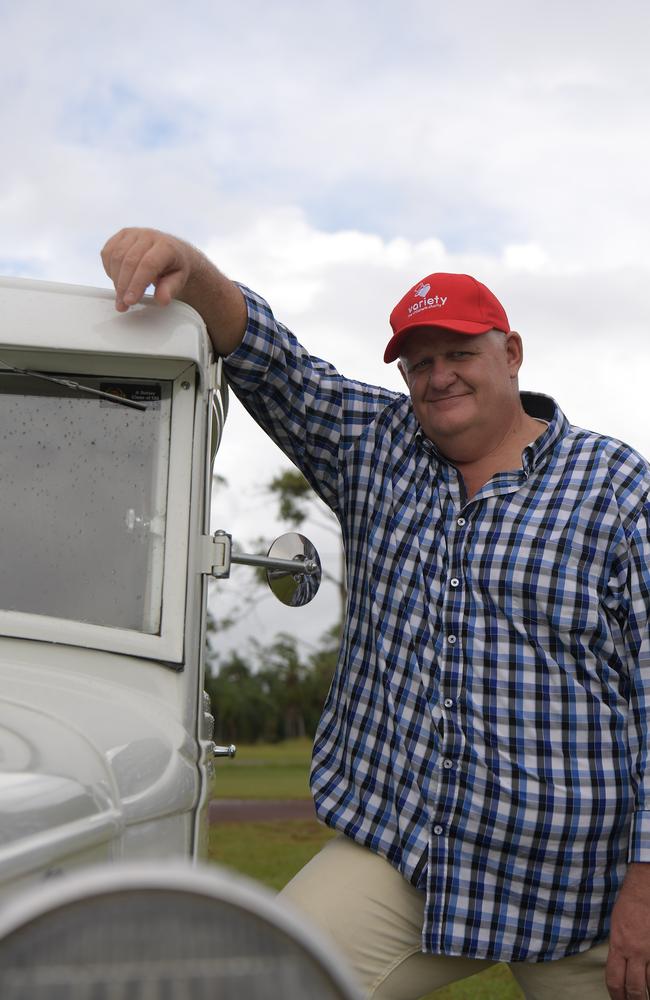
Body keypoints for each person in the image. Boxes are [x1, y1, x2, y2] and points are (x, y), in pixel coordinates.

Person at [102, 228, 650, 1000]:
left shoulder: (617, 487)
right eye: (419, 363)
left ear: (512, 352)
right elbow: (273, 361)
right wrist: (188, 268)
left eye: (458, 352)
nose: (438, 376)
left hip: (581, 887)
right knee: (258, 983)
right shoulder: (377, 447)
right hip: (410, 860)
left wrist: (645, 890)